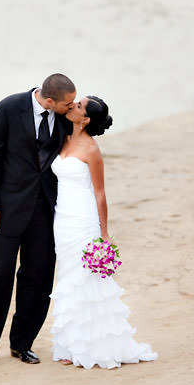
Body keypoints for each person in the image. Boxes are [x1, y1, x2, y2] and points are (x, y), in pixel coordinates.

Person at [0, 74, 76, 372]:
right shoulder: (7, 108)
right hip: (7, 209)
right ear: (47, 100)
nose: (71, 108)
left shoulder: (65, 115)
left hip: (46, 210)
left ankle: (22, 342)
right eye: (67, 103)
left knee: (38, 277)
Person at [49, 95, 157, 369]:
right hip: (62, 219)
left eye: (79, 105)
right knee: (67, 278)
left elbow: (100, 192)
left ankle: (95, 346)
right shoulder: (63, 137)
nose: (73, 105)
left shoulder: (91, 150)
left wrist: (104, 233)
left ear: (85, 119)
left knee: (87, 280)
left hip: (84, 220)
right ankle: (71, 345)